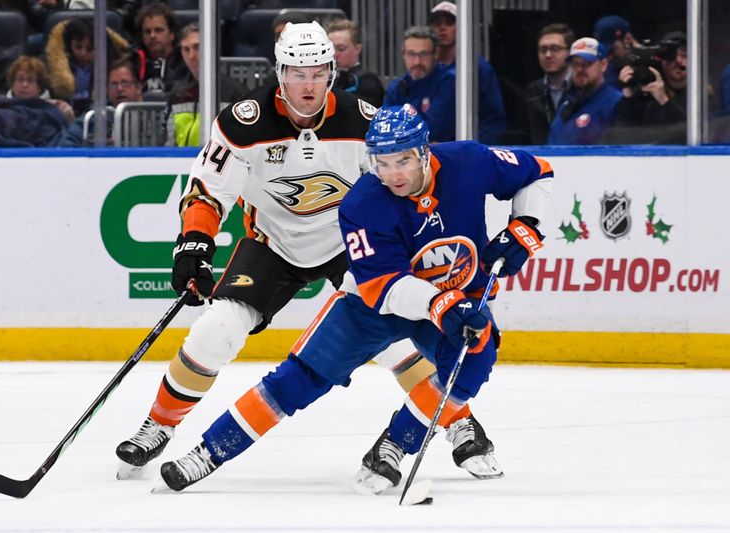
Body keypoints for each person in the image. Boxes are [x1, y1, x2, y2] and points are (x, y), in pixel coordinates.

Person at [152, 103, 554, 493]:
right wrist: (438, 304)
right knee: (301, 380)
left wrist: (526, 225)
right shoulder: (362, 203)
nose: (392, 174)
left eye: (402, 161)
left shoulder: (469, 161)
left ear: (424, 151)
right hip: (374, 307)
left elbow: (538, 173)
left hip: (453, 298)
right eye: (382, 162)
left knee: (476, 351)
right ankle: (209, 452)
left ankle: (394, 445)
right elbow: (385, 286)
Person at [114, 22, 436, 479]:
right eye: (298, 73)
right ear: (280, 73)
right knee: (216, 329)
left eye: (318, 71)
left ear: (332, 71)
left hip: (348, 241)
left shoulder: (364, 122)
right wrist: (193, 245)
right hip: (273, 243)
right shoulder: (243, 123)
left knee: (393, 338)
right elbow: (208, 190)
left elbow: (400, 184)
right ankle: (158, 426)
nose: (309, 84)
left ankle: (458, 421)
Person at [427, 1, 506, 144]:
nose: (442, 28)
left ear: (462, 26)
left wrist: (473, 150)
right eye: (437, 23)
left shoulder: (478, 69)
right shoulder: (425, 68)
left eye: (450, 22)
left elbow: (493, 119)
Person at [164, 23, 247, 147]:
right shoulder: (177, 94)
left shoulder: (236, 92)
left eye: (197, 47)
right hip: (183, 163)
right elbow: (168, 142)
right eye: (186, 49)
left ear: (211, 47)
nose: (191, 56)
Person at [607, 31, 687, 144]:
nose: (678, 61)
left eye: (684, 56)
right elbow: (620, 135)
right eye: (672, 56)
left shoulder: (700, 96)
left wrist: (664, 100)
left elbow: (687, 134)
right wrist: (627, 96)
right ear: (662, 60)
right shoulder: (647, 93)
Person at [383, 26, 455, 142]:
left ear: (435, 54)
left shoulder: (448, 81)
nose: (417, 61)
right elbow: (384, 128)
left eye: (424, 54)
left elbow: (433, 130)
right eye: (411, 54)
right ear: (403, 54)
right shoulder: (396, 87)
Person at [45, 17, 129, 116]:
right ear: (69, 44)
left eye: (90, 49)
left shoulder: (112, 66)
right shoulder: (51, 67)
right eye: (78, 47)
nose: (83, 53)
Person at [548, 37, 622, 145]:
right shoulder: (567, 102)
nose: (579, 69)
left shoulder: (615, 102)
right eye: (575, 64)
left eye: (587, 63)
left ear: (603, 65)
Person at [58, 59, 144, 147]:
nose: (119, 89)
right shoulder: (98, 114)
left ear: (138, 88)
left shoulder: (152, 114)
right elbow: (67, 141)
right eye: (114, 84)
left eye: (125, 83)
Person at [525, 23, 576, 145]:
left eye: (555, 49)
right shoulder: (533, 91)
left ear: (570, 52)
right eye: (543, 50)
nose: (548, 55)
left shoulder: (581, 87)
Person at [129, 2, 185, 97]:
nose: (152, 36)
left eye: (158, 30)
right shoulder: (133, 61)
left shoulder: (184, 61)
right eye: (147, 31)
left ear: (172, 34)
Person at [325, 18, 384, 107]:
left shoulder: (368, 81)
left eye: (341, 48)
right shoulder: (322, 78)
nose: (334, 54)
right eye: (330, 49)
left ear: (358, 48)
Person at [593, 15, 637, 90]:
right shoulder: (606, 68)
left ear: (627, 39)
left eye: (612, 51)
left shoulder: (649, 59)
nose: (609, 57)